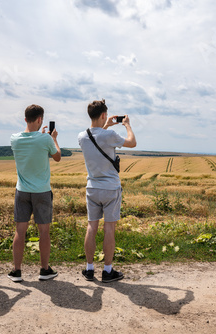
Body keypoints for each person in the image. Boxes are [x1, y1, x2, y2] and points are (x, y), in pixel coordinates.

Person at [78, 99, 137, 283]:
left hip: (92, 187)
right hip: (110, 188)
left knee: (91, 227)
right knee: (109, 228)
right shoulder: (110, 134)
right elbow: (132, 143)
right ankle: (107, 270)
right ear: (104, 114)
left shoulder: (81, 136)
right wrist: (127, 125)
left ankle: (89, 269)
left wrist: (104, 124)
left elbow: (95, 135)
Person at [7, 104, 61, 282]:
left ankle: (16, 271)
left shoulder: (14, 139)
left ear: (25, 119)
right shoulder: (45, 139)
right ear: (40, 119)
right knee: (44, 232)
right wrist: (53, 139)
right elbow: (57, 156)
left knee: (20, 231)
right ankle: (44, 270)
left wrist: (41, 135)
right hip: (42, 191)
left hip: (22, 190)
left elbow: (31, 141)